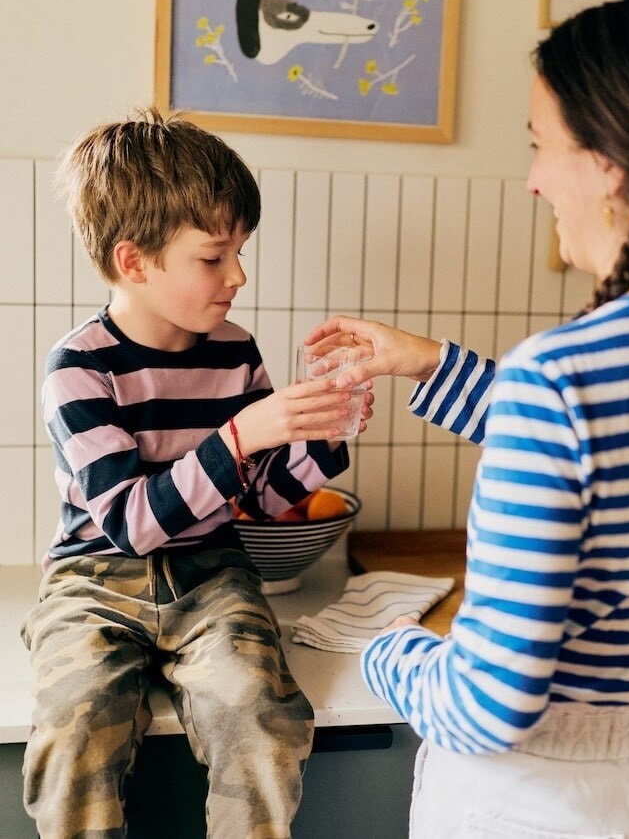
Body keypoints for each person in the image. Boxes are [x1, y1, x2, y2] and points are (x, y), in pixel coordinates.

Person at [305, 0, 629, 838]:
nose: (533, 178)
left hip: (545, 801)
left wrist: (388, 648)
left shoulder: (560, 380)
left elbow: (482, 706)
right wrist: (432, 362)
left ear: (612, 164)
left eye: (543, 145)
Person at [21, 108, 372, 838]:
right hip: (96, 577)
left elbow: (259, 502)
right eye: (215, 257)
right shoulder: (79, 370)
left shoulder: (235, 353)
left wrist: (324, 436)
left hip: (213, 574)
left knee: (258, 706)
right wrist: (245, 433)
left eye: (240, 250)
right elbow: (134, 524)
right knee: (76, 718)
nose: (239, 275)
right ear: (134, 261)